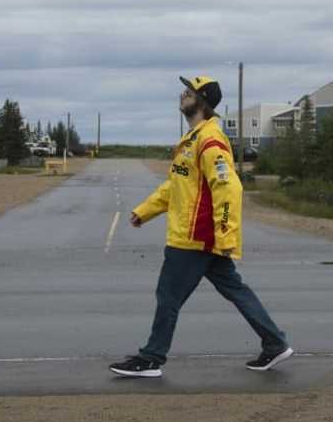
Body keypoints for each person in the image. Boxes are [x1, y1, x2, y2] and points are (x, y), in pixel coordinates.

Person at [109, 76, 293, 378]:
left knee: (168, 297)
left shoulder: (211, 141)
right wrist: (144, 211)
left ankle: (152, 357)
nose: (182, 95)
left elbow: (228, 189)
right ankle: (275, 343)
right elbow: (175, 187)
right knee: (236, 290)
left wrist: (225, 233)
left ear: (202, 100)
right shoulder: (193, 140)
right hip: (198, 236)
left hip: (195, 237)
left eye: (189, 92)